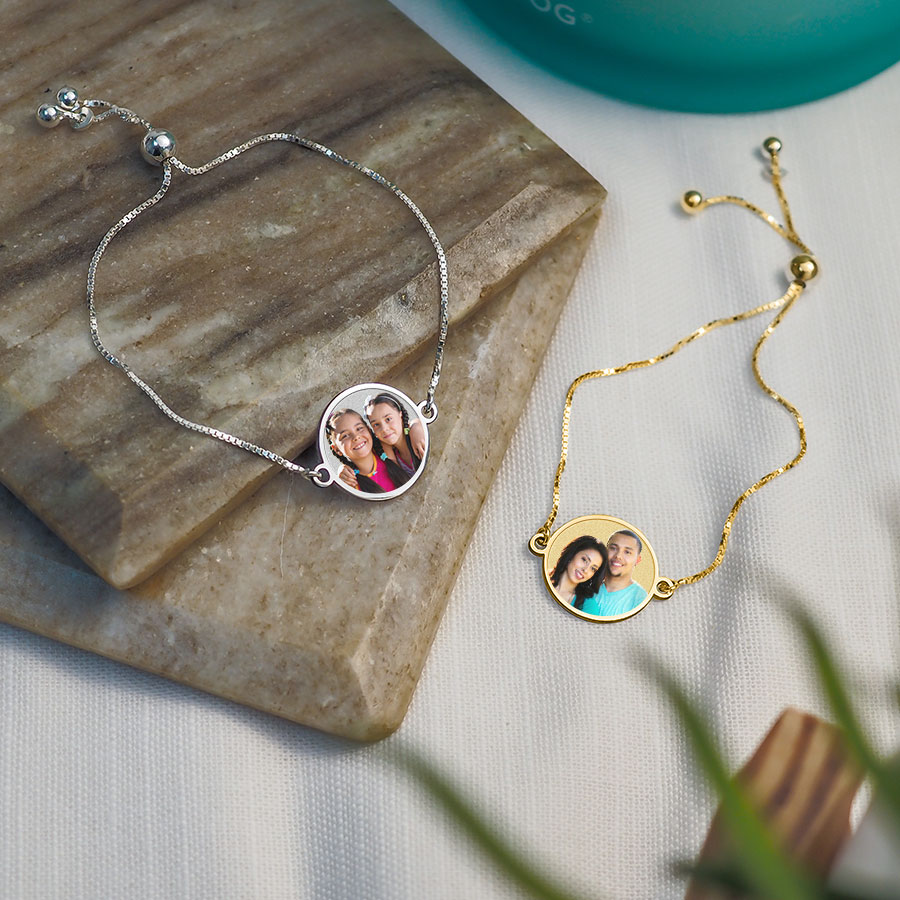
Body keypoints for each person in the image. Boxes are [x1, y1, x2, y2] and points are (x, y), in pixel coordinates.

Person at [325, 408, 411, 494]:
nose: (356, 437)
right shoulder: (351, 483)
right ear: (336, 449)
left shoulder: (386, 448)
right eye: (345, 436)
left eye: (359, 428)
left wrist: (416, 426)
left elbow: (408, 428)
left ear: (369, 430)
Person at [581, 530, 648, 617]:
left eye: (627, 552)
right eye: (613, 548)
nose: (618, 556)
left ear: (637, 560)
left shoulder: (640, 599)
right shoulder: (587, 587)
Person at [549, 536, 607, 609]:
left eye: (593, 568)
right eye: (584, 560)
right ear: (572, 554)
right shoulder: (541, 578)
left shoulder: (588, 605)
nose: (585, 570)